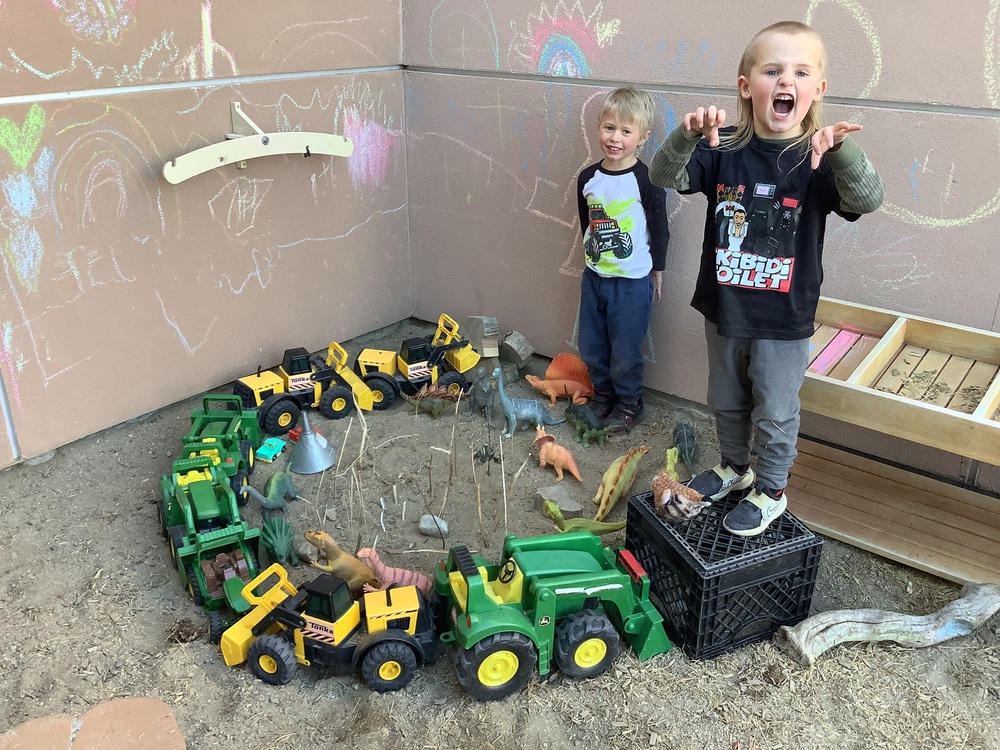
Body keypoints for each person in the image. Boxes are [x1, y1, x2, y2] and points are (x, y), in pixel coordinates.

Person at [648, 21, 884, 536]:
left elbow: (868, 199)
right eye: (772, 70)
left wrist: (842, 151)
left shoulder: (819, 159)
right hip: (726, 310)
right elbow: (663, 176)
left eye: (801, 72)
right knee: (726, 399)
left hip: (785, 319)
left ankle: (771, 488)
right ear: (745, 85)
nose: (786, 81)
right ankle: (735, 467)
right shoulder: (723, 148)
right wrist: (684, 136)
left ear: (817, 91)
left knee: (775, 412)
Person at [577, 86, 669, 435]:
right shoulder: (588, 178)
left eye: (626, 131)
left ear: (642, 138)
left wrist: (657, 270)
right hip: (595, 277)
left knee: (625, 349)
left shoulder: (647, 179)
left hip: (632, 282)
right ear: (599, 126)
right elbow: (585, 224)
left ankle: (630, 403)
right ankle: (602, 396)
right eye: (609, 128)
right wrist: (592, 262)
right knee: (591, 344)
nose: (615, 138)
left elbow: (659, 228)